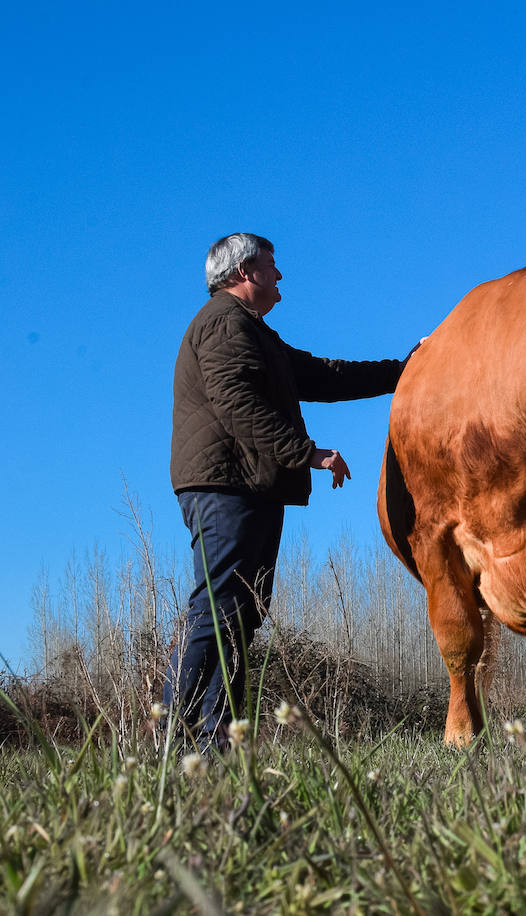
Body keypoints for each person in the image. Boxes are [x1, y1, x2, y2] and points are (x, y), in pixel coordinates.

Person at [166, 232, 412, 750]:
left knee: (241, 614)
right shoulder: (223, 325)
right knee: (219, 609)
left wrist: (404, 370)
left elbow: (320, 375)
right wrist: (309, 453)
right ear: (242, 273)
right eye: (271, 266)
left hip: (247, 483)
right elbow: (236, 404)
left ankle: (213, 743)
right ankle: (171, 737)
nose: (280, 276)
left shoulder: (254, 333)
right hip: (225, 484)